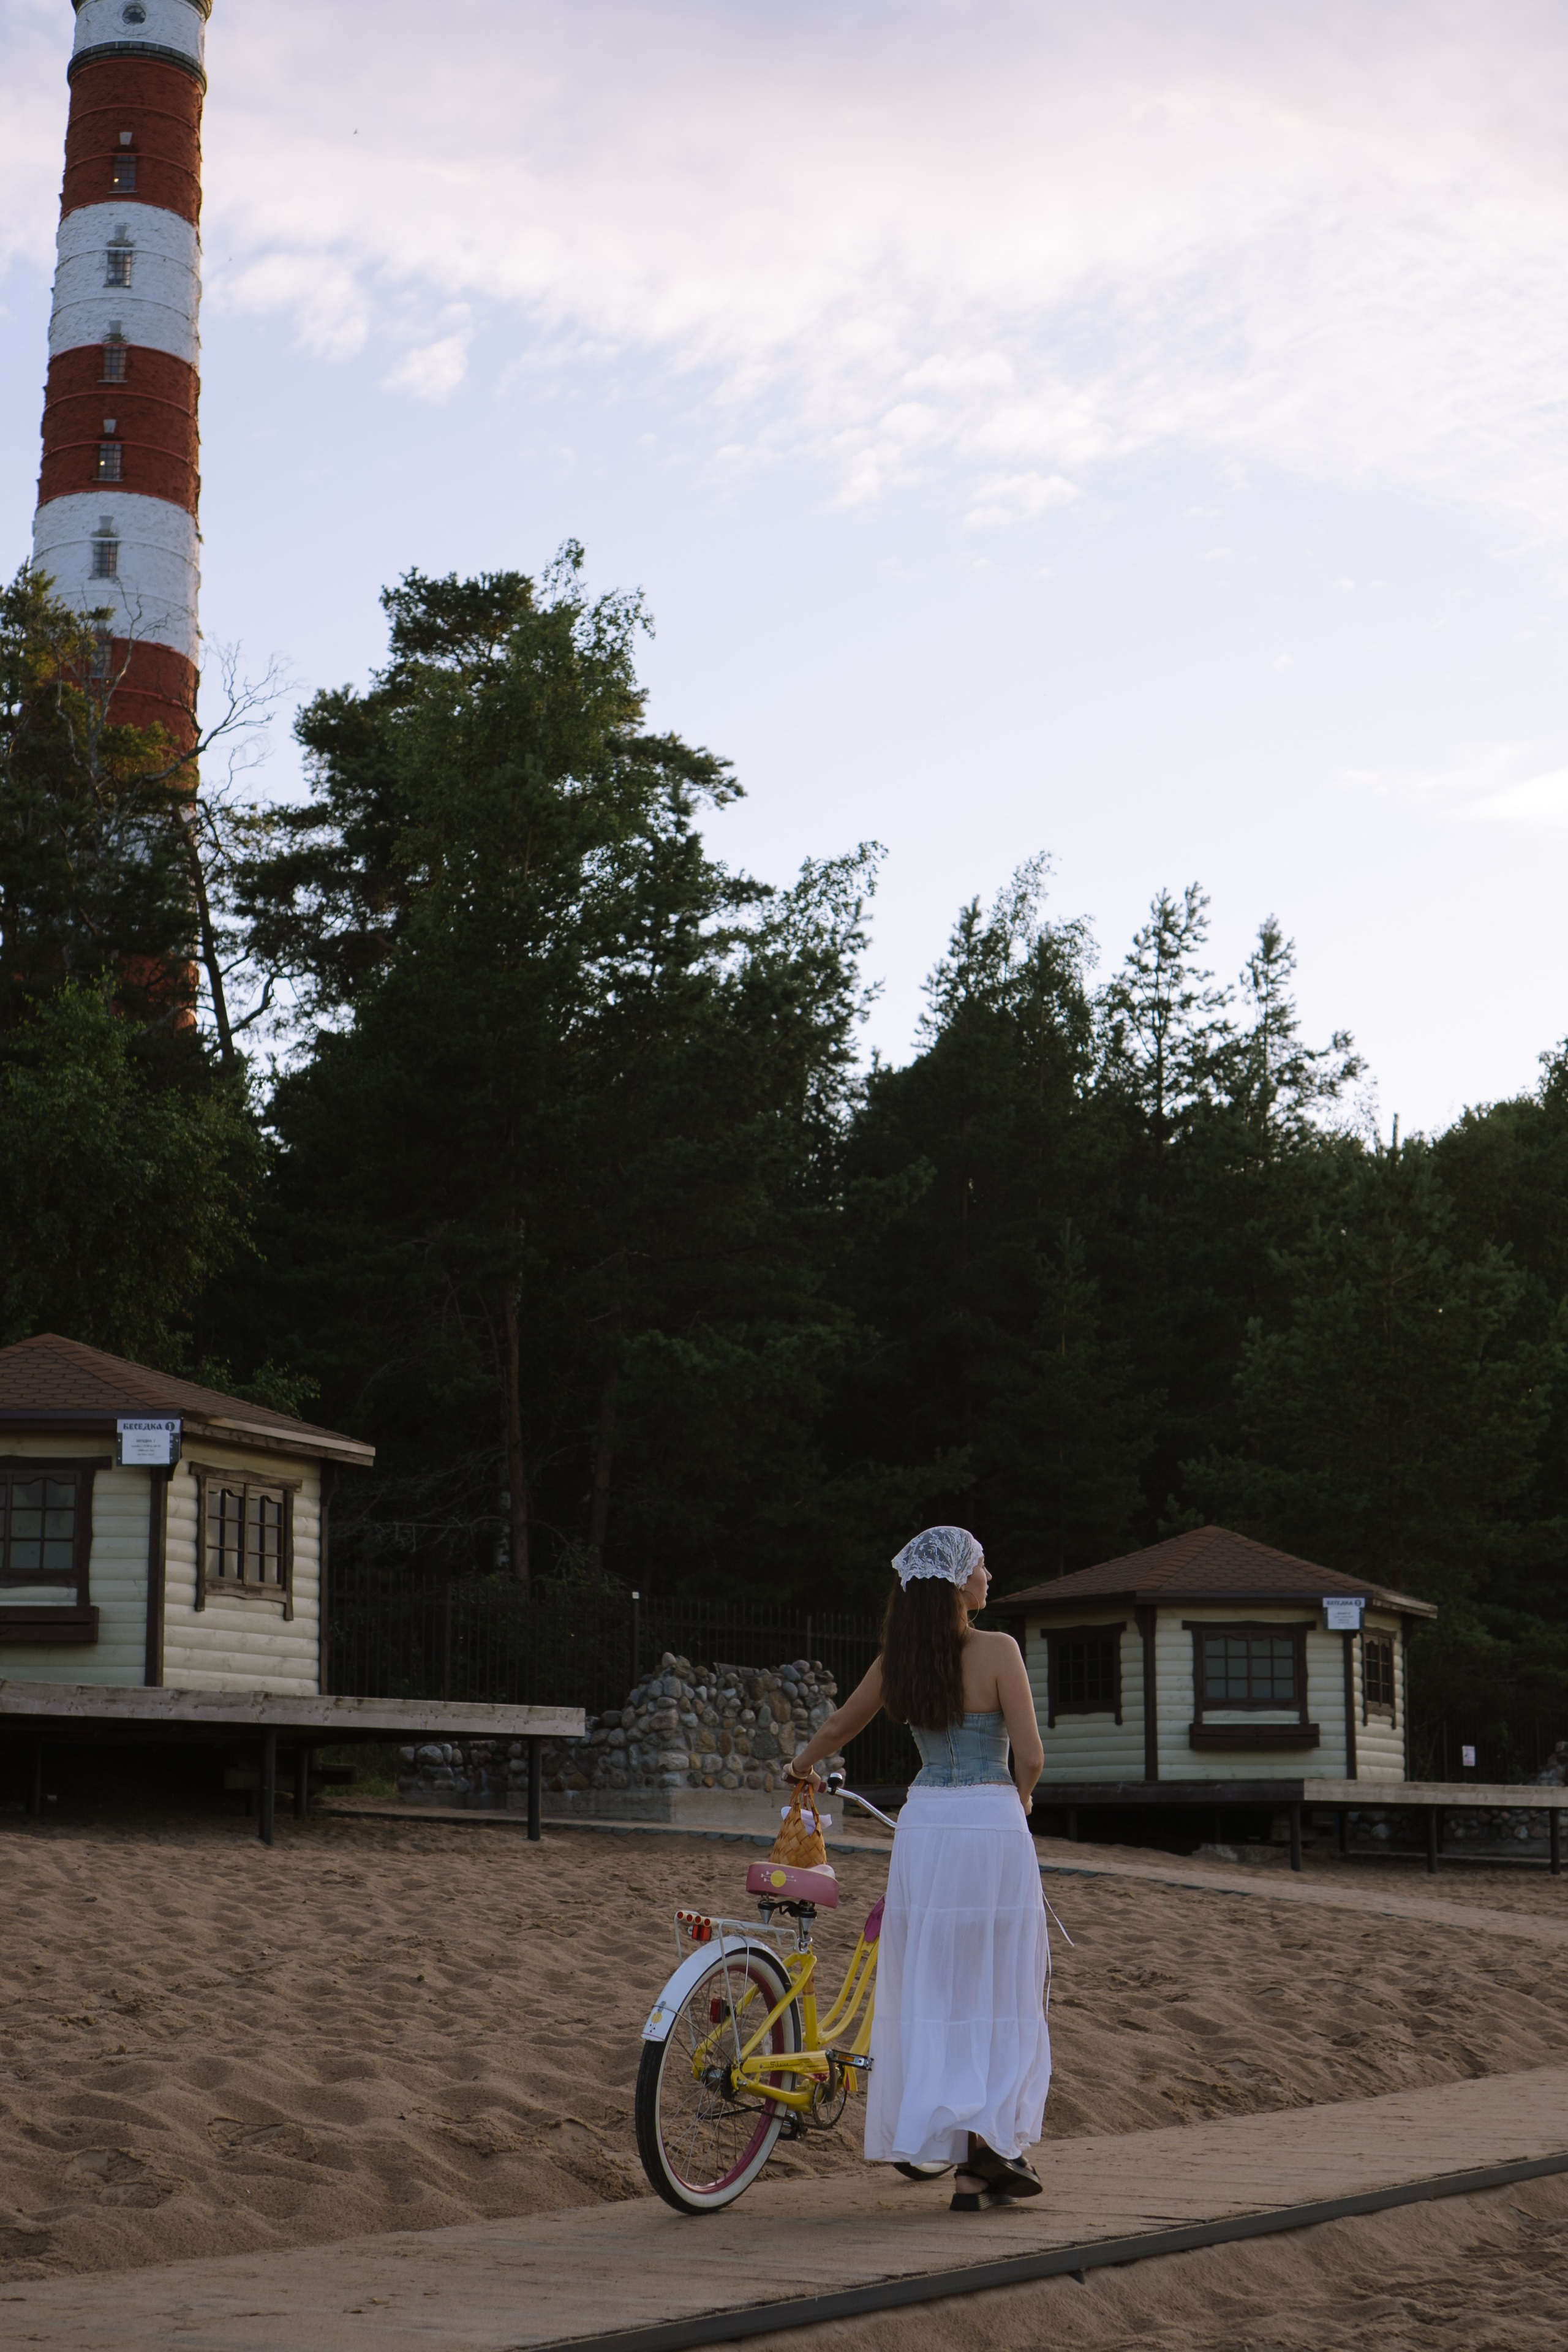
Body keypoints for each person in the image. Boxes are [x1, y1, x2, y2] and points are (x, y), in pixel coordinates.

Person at [784, 1526, 1050, 2212]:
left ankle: (967, 2163)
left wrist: (801, 1765)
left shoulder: (899, 1660)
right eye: (982, 1566)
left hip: (927, 1826)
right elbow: (1030, 1754)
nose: (988, 1576)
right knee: (995, 1982)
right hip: (990, 1824)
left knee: (938, 1984)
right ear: (959, 1580)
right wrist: (1021, 1798)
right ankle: (987, 2147)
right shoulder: (999, 1650)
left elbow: (841, 1726)